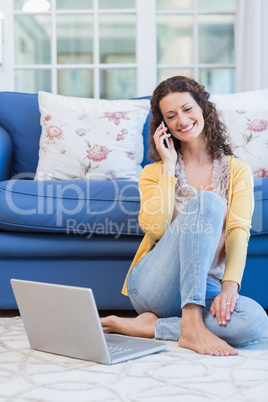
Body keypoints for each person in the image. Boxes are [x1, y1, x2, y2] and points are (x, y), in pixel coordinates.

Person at [101, 76, 268, 356]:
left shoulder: (236, 171)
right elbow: (154, 227)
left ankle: (153, 327)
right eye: (171, 115)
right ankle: (190, 322)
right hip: (155, 285)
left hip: (205, 286)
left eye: (187, 109)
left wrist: (229, 289)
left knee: (254, 320)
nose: (182, 120)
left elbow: (238, 231)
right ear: (163, 125)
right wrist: (168, 167)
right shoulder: (153, 173)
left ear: (203, 108)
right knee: (208, 203)